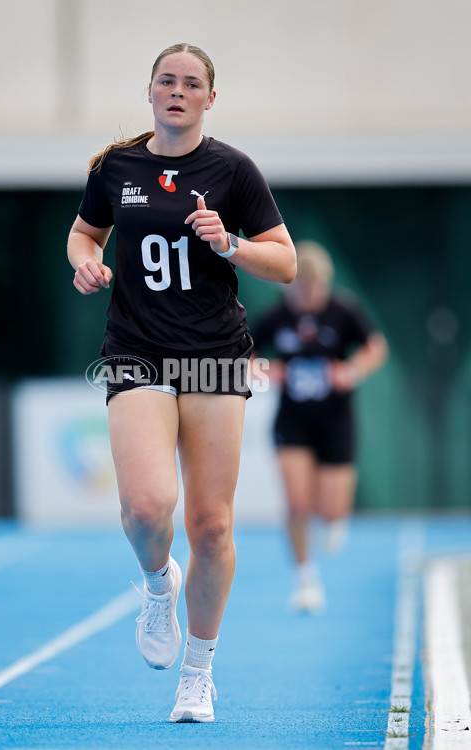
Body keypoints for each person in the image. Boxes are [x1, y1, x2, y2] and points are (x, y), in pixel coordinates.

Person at [67, 43, 296, 722]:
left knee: (212, 526)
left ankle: (198, 672)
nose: (177, 90)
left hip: (214, 355)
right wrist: (86, 263)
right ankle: (156, 584)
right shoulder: (117, 169)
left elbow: (283, 263)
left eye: (190, 83)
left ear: (208, 99)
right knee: (145, 508)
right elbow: (84, 234)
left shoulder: (233, 170)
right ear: (150, 92)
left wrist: (229, 243)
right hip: (138, 349)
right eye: (166, 80)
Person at [252, 241, 388, 613]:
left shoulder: (344, 311)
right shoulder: (275, 318)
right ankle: (306, 579)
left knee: (330, 510)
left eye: (313, 285)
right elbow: (245, 355)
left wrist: (352, 370)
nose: (306, 293)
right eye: (300, 285)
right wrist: (268, 370)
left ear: (324, 284)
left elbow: (376, 347)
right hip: (292, 420)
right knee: (297, 503)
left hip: (335, 420)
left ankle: (334, 519)